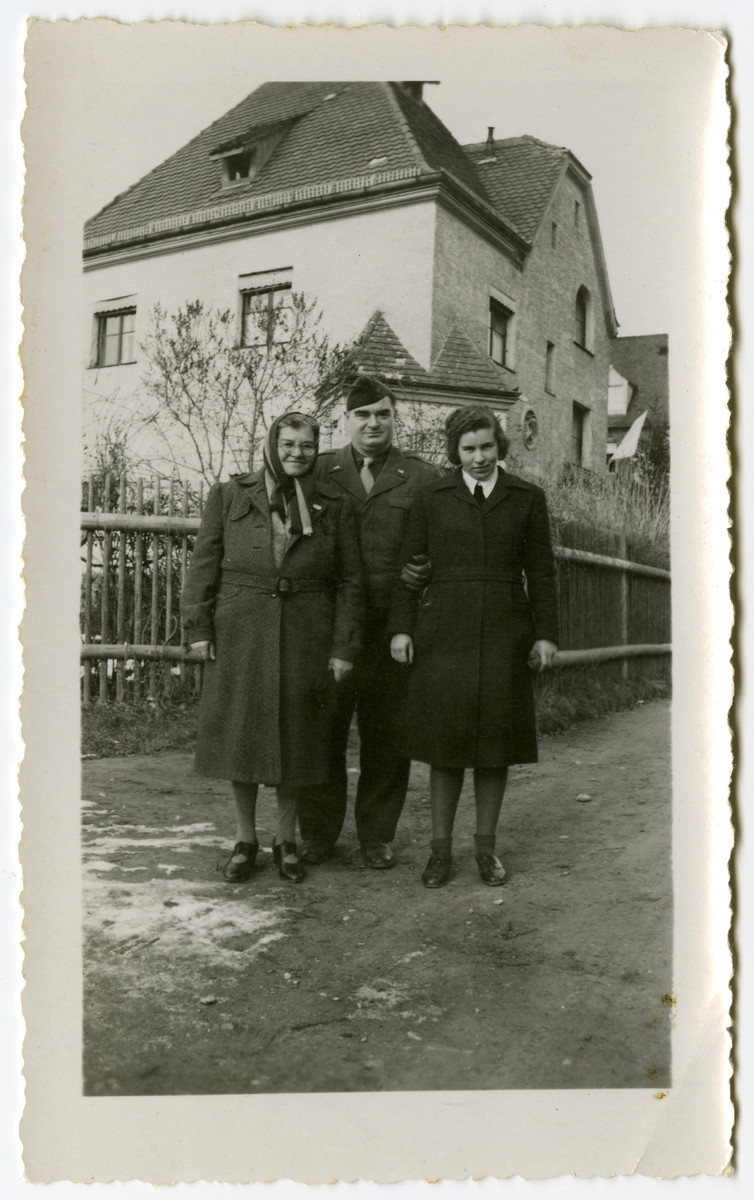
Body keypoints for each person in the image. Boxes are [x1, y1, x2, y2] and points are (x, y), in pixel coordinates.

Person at [181, 411, 364, 885]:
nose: (297, 454)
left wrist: (343, 647)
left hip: (308, 633)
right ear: (272, 444)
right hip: (242, 631)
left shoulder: (334, 505)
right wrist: (198, 627)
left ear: (316, 448)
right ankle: (245, 841)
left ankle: (286, 841)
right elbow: (204, 564)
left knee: (297, 738)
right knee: (240, 737)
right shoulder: (230, 495)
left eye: (306, 446)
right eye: (288, 445)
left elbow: (349, 581)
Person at [388, 405, 558, 888]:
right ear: (455, 451)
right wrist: (401, 628)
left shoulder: (526, 498)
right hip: (443, 630)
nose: (479, 458)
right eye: (469, 449)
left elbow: (542, 573)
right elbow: (409, 566)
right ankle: (440, 852)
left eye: (486, 447)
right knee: (445, 746)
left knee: (494, 747)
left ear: (499, 447)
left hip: (506, 630)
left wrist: (545, 634)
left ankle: (486, 848)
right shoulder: (431, 495)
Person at [296, 375, 439, 870]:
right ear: (346, 419)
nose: (373, 423)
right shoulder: (316, 471)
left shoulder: (420, 477)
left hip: (389, 629)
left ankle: (377, 836)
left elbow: (441, 543)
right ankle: (317, 834)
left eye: (382, 414)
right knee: (322, 732)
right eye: (363, 415)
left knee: (386, 734)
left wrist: (426, 569)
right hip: (327, 626)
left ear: (394, 418)